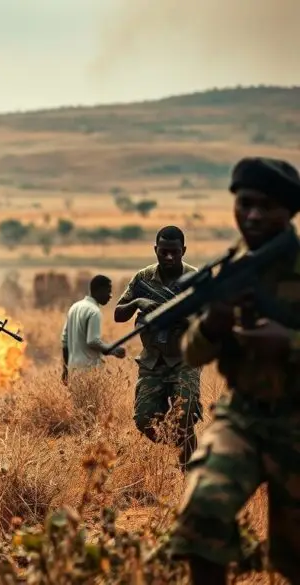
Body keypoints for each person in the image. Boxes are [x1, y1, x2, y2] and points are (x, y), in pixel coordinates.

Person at [168, 157, 300, 583]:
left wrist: (289, 342)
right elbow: (192, 354)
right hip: (242, 417)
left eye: (267, 206)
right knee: (202, 511)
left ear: (290, 212)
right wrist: (211, 324)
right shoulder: (227, 272)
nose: (254, 215)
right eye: (245, 204)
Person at [113, 226, 201, 468]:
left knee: (185, 414)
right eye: (163, 252)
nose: (169, 258)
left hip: (185, 359)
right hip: (153, 360)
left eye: (174, 252)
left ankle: (189, 466)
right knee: (144, 420)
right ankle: (186, 448)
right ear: (155, 250)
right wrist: (138, 302)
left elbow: (211, 319)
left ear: (183, 250)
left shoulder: (195, 279)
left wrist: (183, 318)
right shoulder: (143, 279)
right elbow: (118, 314)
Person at [60, 274, 126, 384]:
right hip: (89, 373)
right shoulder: (94, 312)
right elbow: (92, 341)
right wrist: (113, 350)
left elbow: (64, 341)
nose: (110, 296)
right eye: (108, 291)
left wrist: (66, 368)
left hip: (73, 371)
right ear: (99, 290)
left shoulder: (74, 307)